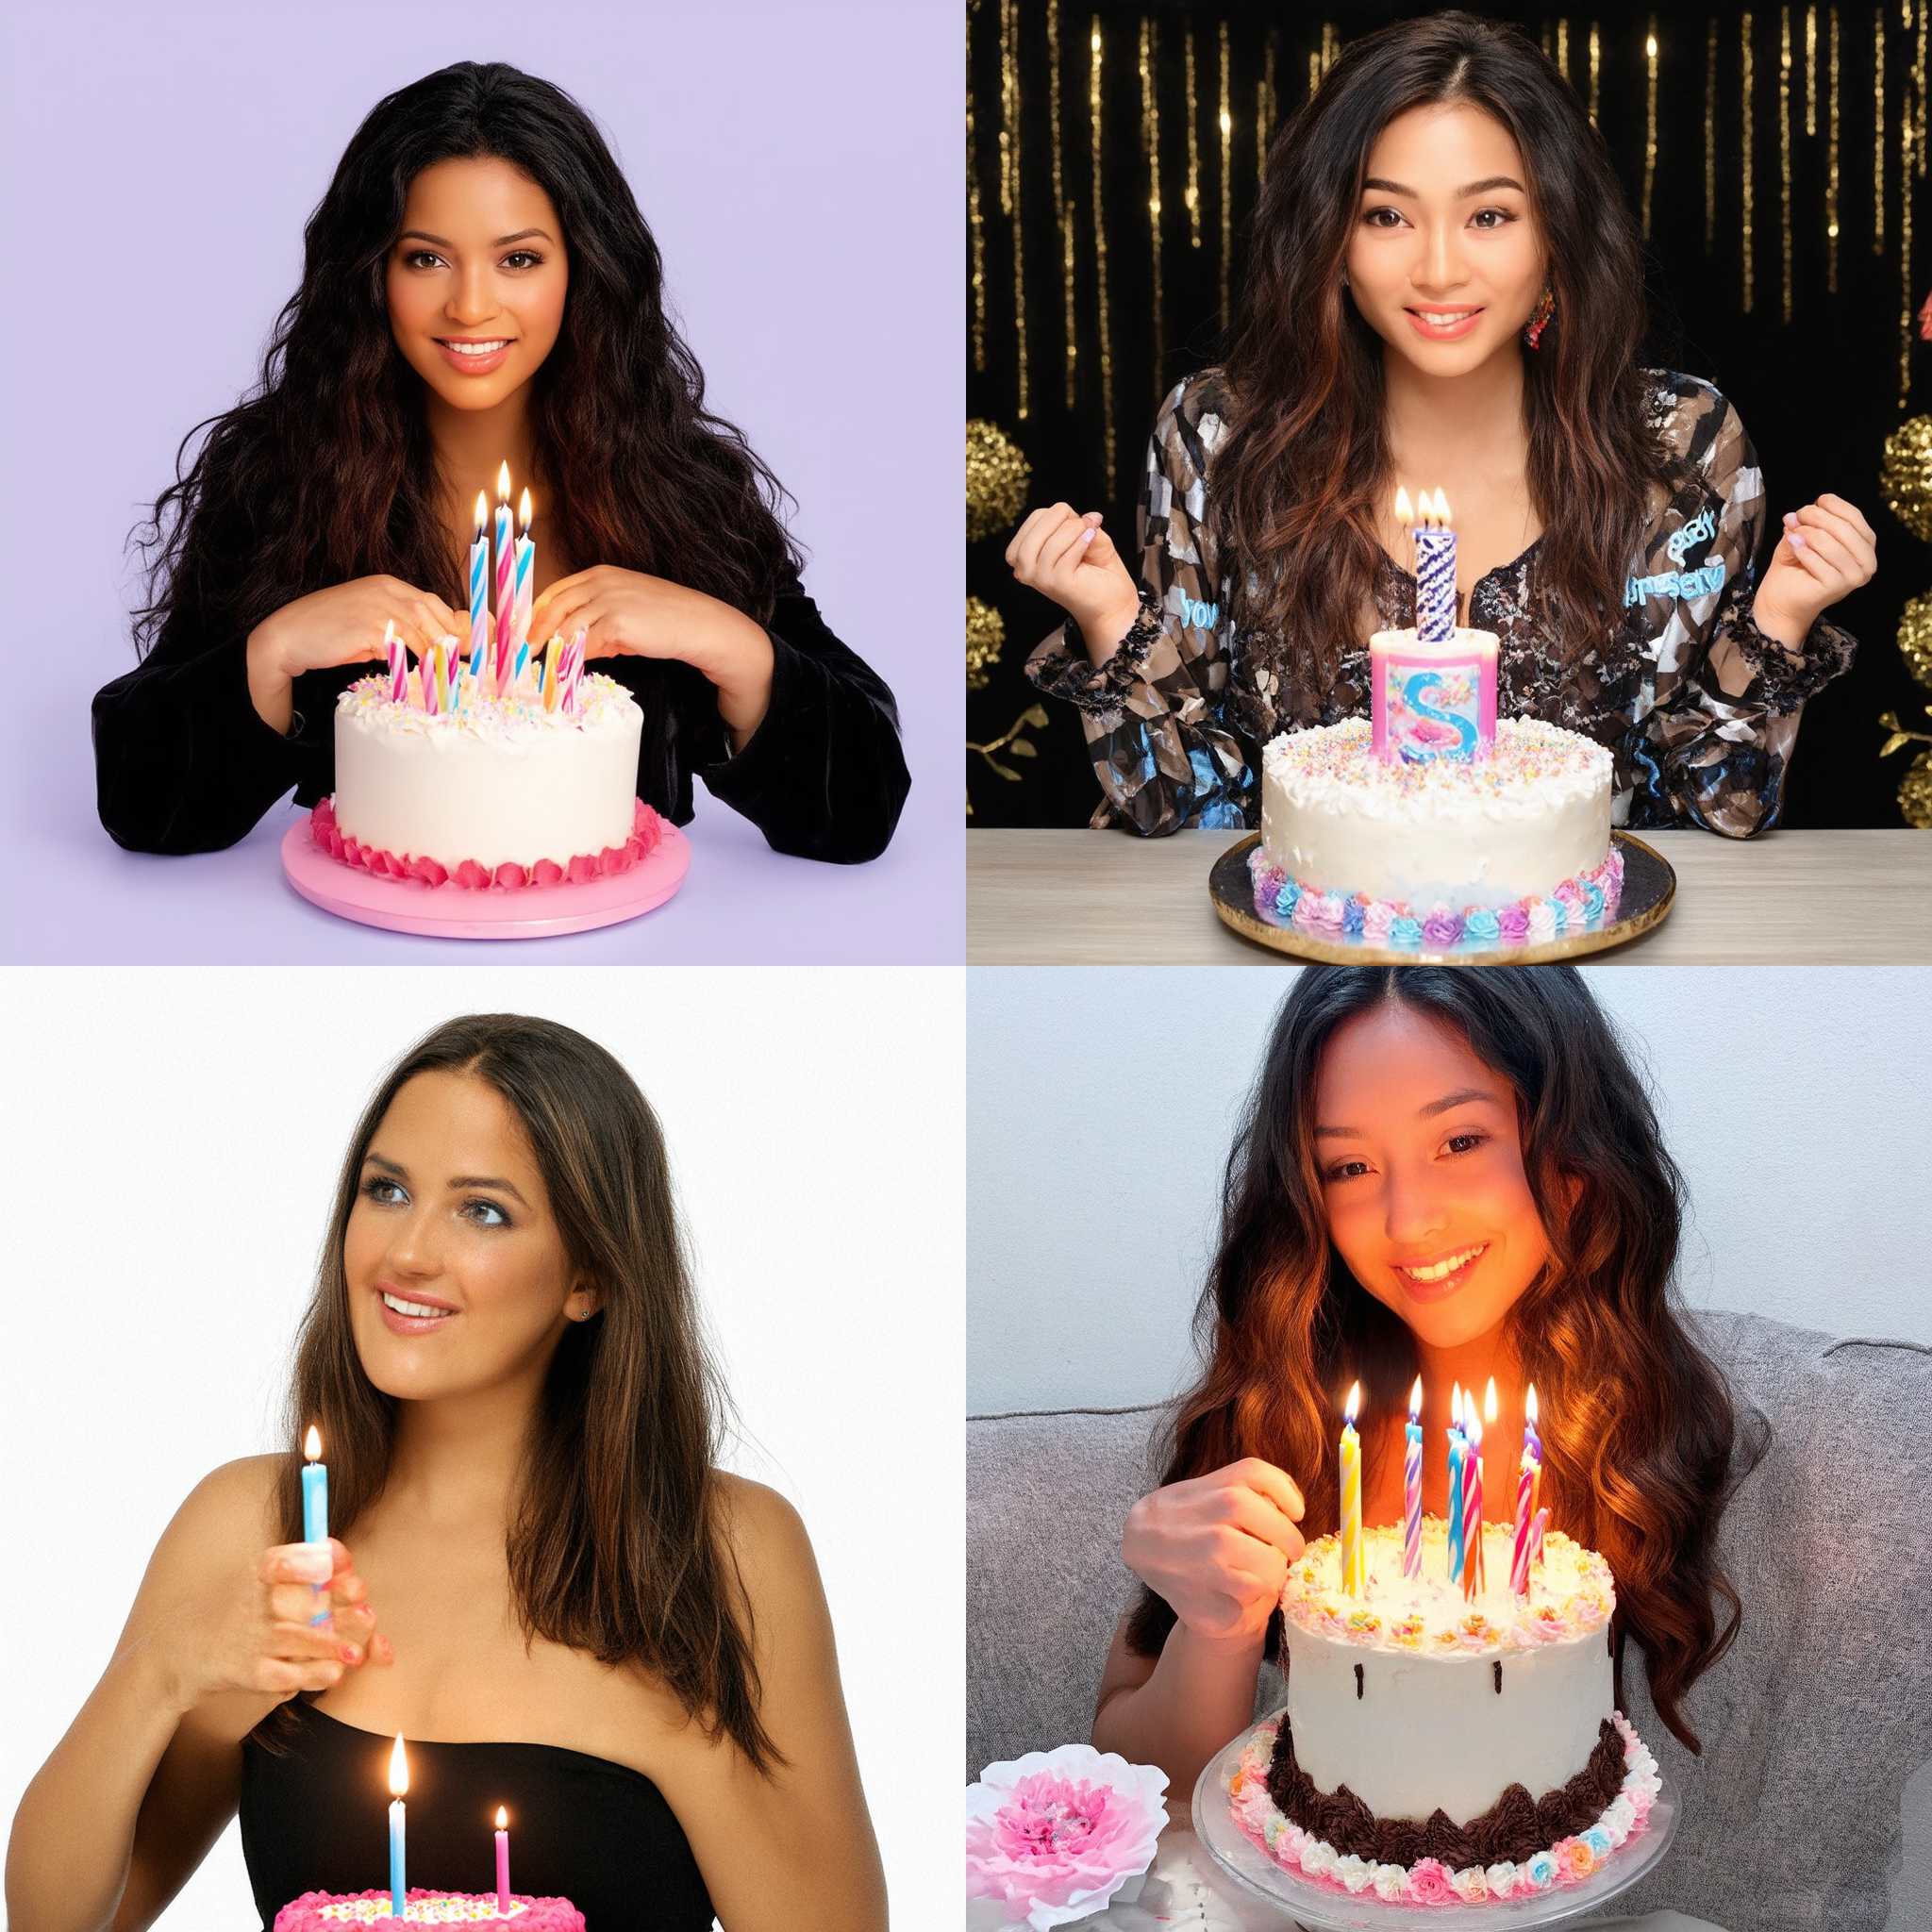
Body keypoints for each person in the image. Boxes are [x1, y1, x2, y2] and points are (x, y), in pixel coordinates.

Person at [6, 1015, 887, 1932]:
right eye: (385, 1190)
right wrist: (161, 1673)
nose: (406, 1252)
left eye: (482, 1209)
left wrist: (677, 1732)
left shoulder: (723, 1549)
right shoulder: (256, 1526)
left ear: (588, 1274)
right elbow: (58, 1920)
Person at [1007, 10, 1872, 839]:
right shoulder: (1223, 437)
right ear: (1332, 244)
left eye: (1489, 215)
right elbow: (1187, 807)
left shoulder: (1679, 447)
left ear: (1558, 237)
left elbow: (1712, 809)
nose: (1439, 268)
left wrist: (1782, 619)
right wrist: (1111, 615)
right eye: (1386, 216)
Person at [94, 62, 908, 866]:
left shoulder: (685, 491)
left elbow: (860, 811)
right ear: (369, 274)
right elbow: (143, 803)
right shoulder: (281, 478)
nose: (471, 305)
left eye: (518, 259)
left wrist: (729, 642)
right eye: (425, 258)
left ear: (584, 268)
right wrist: (272, 653)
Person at [1095, 967, 1762, 1927]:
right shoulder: (1278, 1419)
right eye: (1347, 1166)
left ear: (1571, 1149)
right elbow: (1144, 1787)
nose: (1407, 1220)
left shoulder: (1680, 1437)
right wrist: (1219, 1624)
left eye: (1459, 1140)